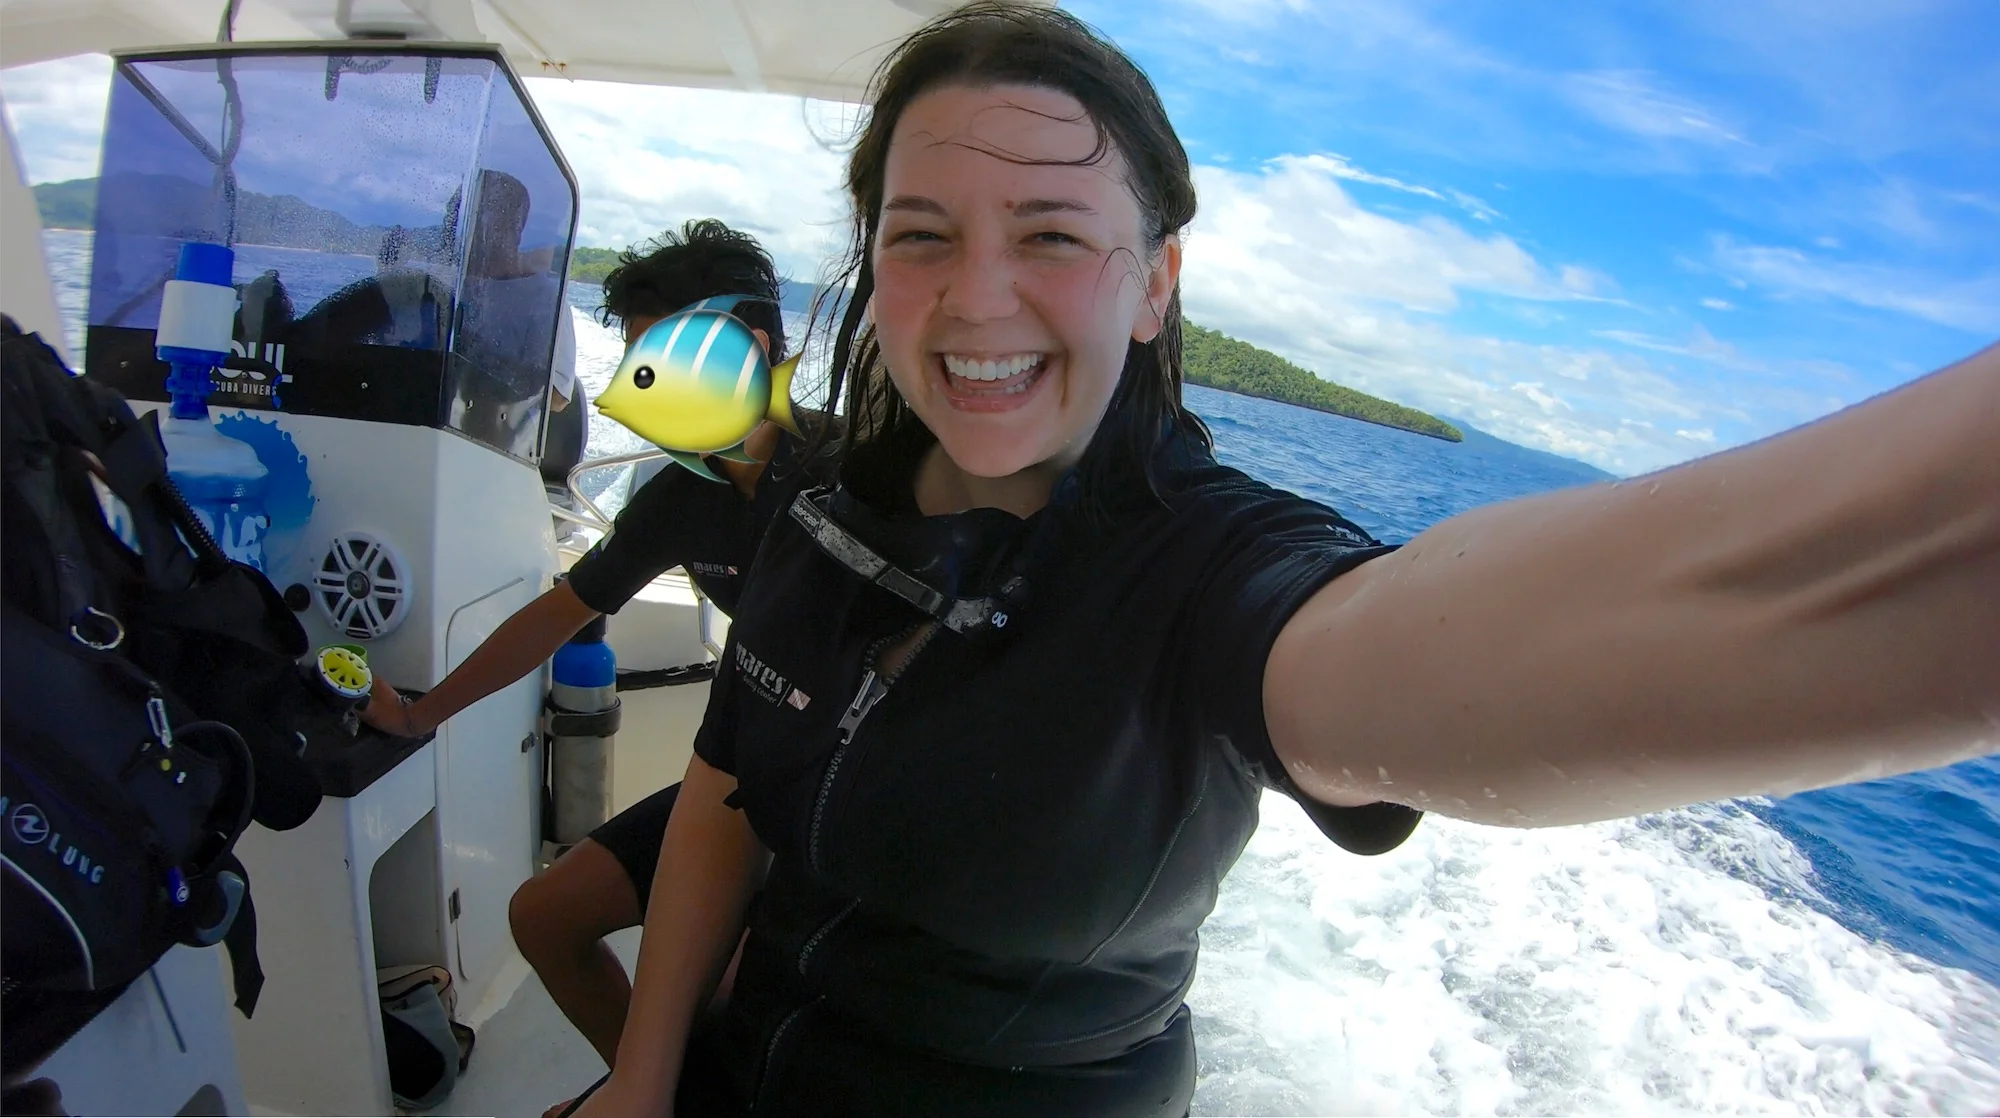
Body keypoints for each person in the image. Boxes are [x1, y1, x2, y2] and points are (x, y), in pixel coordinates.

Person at [578, 6, 2000, 1116]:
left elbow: (1395, 650)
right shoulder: (823, 502)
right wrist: (644, 1078)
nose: (977, 295)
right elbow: (722, 782)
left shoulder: (1205, 570)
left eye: (1054, 233)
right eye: (922, 233)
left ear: (1157, 283)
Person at [358, 219, 819, 1093]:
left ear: (752, 349)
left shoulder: (846, 477)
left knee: (728, 1000)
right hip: (738, 783)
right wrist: (420, 713)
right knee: (544, 915)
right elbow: (557, 615)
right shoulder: (679, 495)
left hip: (834, 813)